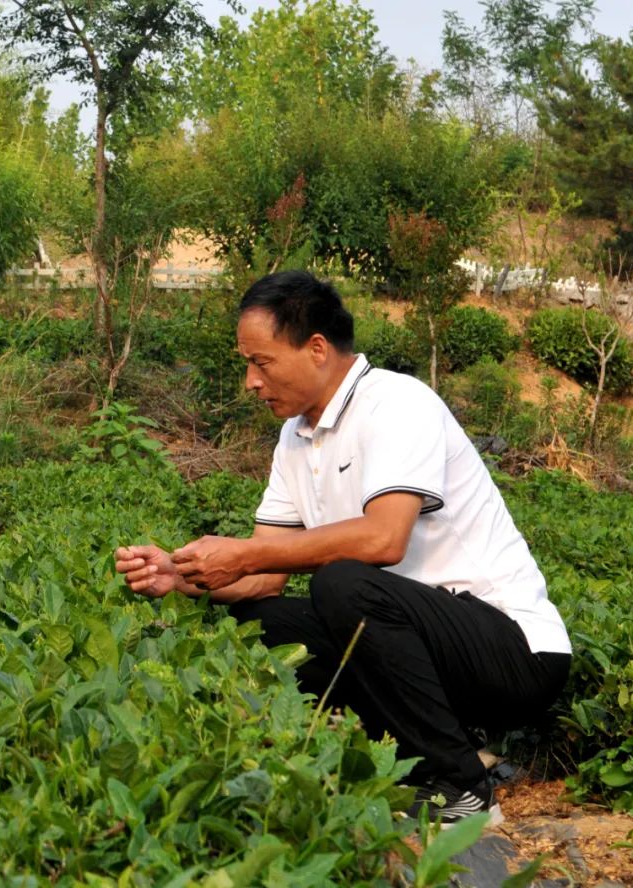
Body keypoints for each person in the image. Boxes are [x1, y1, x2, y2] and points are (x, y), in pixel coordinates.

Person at [115, 270, 571, 826]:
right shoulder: (295, 436)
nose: (250, 382)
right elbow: (264, 573)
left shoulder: (398, 404)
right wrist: (181, 574)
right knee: (262, 620)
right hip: (426, 648)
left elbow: (384, 539)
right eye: (246, 364)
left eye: (261, 362)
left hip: (513, 649)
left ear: (316, 349)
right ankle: (402, 753)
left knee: (342, 583)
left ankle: (460, 785)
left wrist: (241, 554)